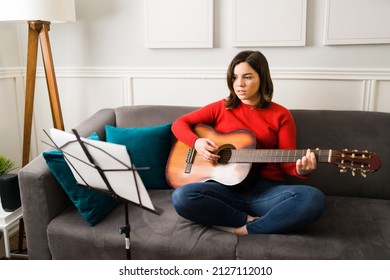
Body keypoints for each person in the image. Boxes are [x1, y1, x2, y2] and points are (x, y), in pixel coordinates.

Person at [171, 50, 325, 235]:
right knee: (182, 196)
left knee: (312, 198)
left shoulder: (281, 115)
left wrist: (302, 170)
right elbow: (179, 124)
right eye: (235, 77)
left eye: (247, 77)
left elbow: (287, 164)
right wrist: (197, 143)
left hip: (265, 191)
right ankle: (246, 219)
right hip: (225, 189)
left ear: (262, 78)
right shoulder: (221, 107)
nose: (239, 84)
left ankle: (245, 229)